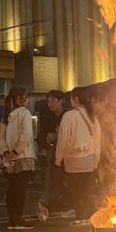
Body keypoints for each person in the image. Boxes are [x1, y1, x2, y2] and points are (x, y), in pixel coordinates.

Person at [55, 88, 102, 226]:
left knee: (75, 190)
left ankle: (80, 216)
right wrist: (96, 160)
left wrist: (58, 159)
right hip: (89, 159)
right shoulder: (92, 117)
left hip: (73, 160)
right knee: (86, 190)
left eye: (71, 98)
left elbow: (63, 138)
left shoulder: (69, 116)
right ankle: (89, 217)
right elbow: (97, 140)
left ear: (75, 99)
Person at [0, 85, 36, 230]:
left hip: (9, 159)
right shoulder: (24, 112)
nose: (27, 100)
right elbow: (27, 134)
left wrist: (6, 152)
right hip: (23, 156)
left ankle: (12, 219)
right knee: (20, 190)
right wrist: (16, 150)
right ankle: (18, 219)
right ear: (20, 99)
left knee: (12, 189)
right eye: (26, 97)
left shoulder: (6, 116)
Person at [36, 89, 69, 221]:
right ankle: (46, 204)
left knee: (63, 179)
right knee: (52, 177)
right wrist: (48, 141)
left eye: (53, 101)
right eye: (48, 101)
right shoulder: (47, 115)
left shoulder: (67, 115)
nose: (50, 104)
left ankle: (52, 204)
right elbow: (43, 134)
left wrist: (55, 135)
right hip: (52, 151)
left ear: (61, 101)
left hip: (67, 152)